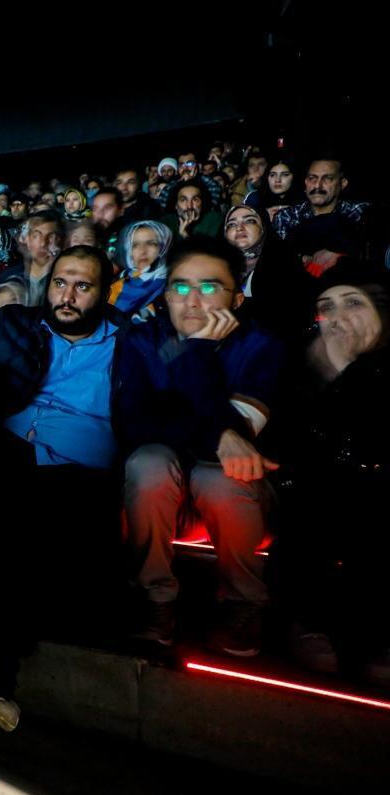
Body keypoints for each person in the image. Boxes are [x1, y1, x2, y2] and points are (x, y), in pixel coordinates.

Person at [0, 246, 127, 732]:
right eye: (60, 283)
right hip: (8, 448)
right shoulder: (16, 325)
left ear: (105, 290)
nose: (67, 296)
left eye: (83, 286)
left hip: (77, 468)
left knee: (29, 519)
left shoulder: (130, 341)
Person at [116, 237, 285, 658]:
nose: (192, 301)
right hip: (162, 492)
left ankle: (243, 601)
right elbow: (134, 425)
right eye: (180, 286)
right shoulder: (141, 339)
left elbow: (240, 441)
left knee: (222, 476)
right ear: (165, 292)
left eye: (209, 288)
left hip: (234, 497)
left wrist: (199, 352)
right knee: (148, 462)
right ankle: (156, 599)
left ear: (237, 297)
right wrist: (216, 433)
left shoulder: (262, 345)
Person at [277, 264, 389, 685]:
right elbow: (291, 445)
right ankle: (307, 619)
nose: (337, 316)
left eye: (353, 302)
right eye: (326, 307)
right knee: (317, 498)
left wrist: (352, 373)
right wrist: (330, 376)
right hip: (320, 497)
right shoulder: (306, 367)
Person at [220, 204, 316, 342]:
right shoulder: (217, 267)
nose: (239, 228)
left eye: (250, 221)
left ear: (263, 228)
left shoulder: (284, 262)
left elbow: (286, 317)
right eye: (231, 224)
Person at [109, 221, 173, 320]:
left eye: (151, 243)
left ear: (164, 247)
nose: (142, 251)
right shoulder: (123, 276)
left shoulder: (169, 285)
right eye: (135, 245)